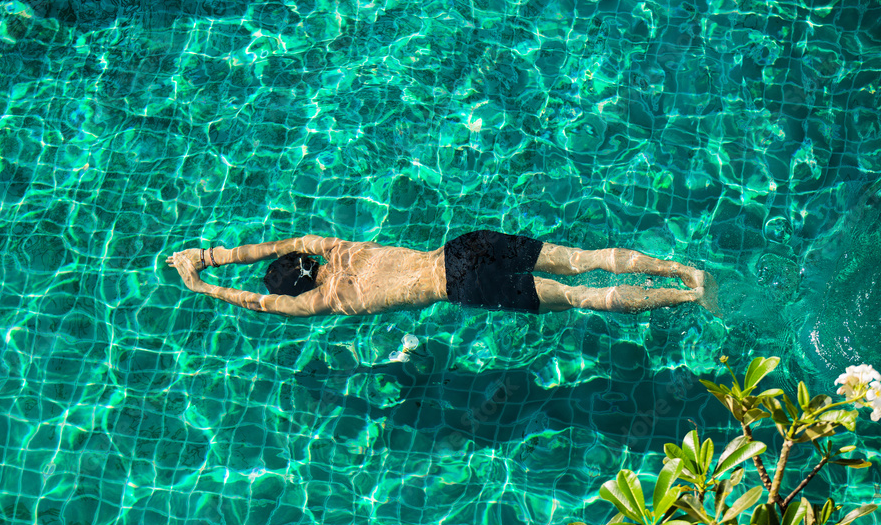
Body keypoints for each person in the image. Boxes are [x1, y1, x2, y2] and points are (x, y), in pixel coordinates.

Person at [166, 230, 718, 317]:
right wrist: (210, 255)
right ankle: (685, 271)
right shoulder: (329, 246)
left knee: (578, 297)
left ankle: (689, 301)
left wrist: (200, 285)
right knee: (582, 259)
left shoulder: (324, 302)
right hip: (461, 247)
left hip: (458, 286)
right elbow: (274, 244)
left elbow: (258, 304)